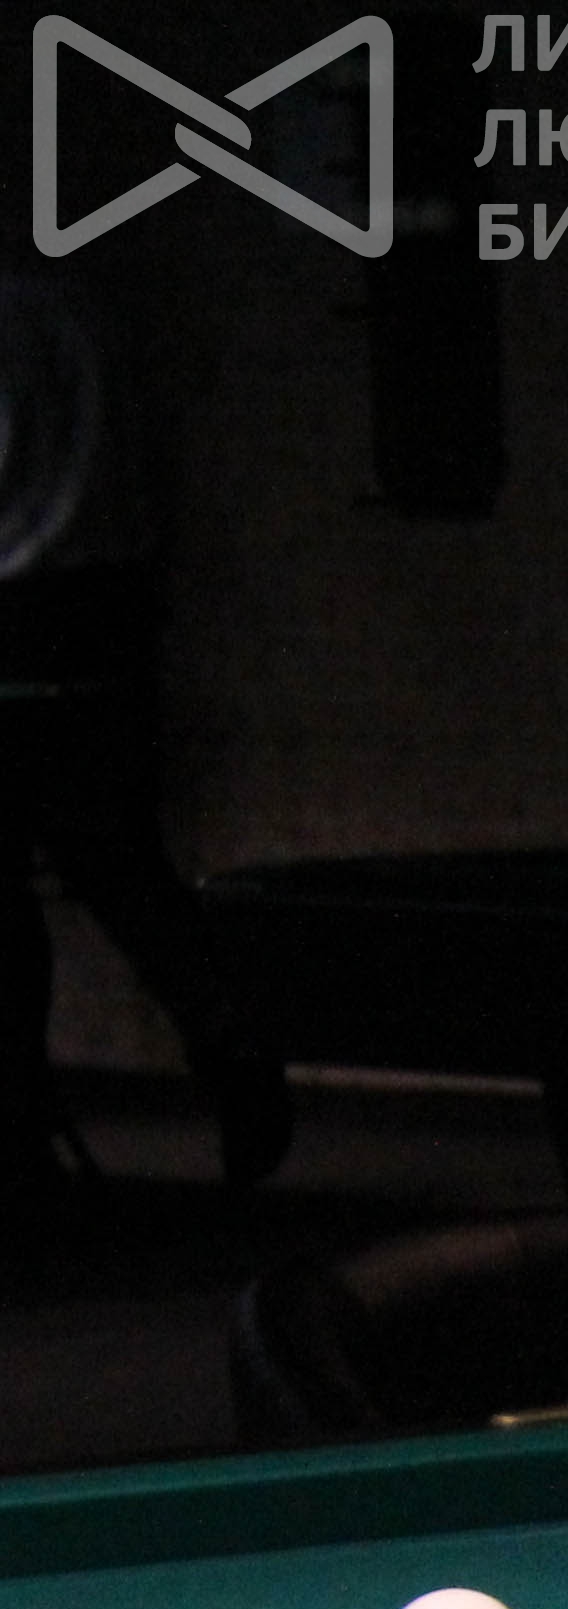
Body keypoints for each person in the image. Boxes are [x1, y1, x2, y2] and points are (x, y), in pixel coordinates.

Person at [0, 259, 287, 1189]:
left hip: (16, 608)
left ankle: (21, 1118)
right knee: (123, 868)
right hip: (105, 611)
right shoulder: (81, 303)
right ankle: (235, 1056)